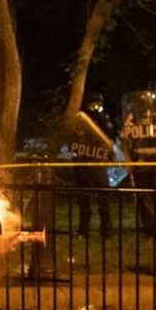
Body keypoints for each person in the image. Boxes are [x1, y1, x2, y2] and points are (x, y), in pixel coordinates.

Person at [120, 85, 156, 237]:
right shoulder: (134, 114)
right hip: (140, 160)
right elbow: (125, 135)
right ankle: (148, 226)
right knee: (142, 195)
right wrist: (129, 159)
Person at [62, 93, 119, 236]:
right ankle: (83, 229)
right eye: (93, 103)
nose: (95, 107)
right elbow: (72, 141)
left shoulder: (104, 120)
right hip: (82, 164)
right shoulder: (80, 122)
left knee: (103, 198)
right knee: (84, 199)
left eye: (98, 104)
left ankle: (106, 229)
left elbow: (110, 139)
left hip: (98, 164)